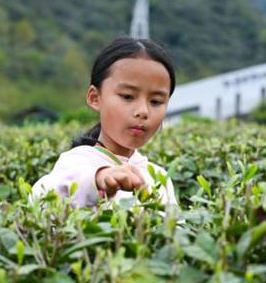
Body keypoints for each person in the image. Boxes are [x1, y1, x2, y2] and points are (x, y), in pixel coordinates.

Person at [31, 37, 178, 207]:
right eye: (127, 96)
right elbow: (44, 196)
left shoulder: (159, 177)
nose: (143, 111)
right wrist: (99, 179)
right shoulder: (77, 162)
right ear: (95, 98)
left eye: (156, 101)